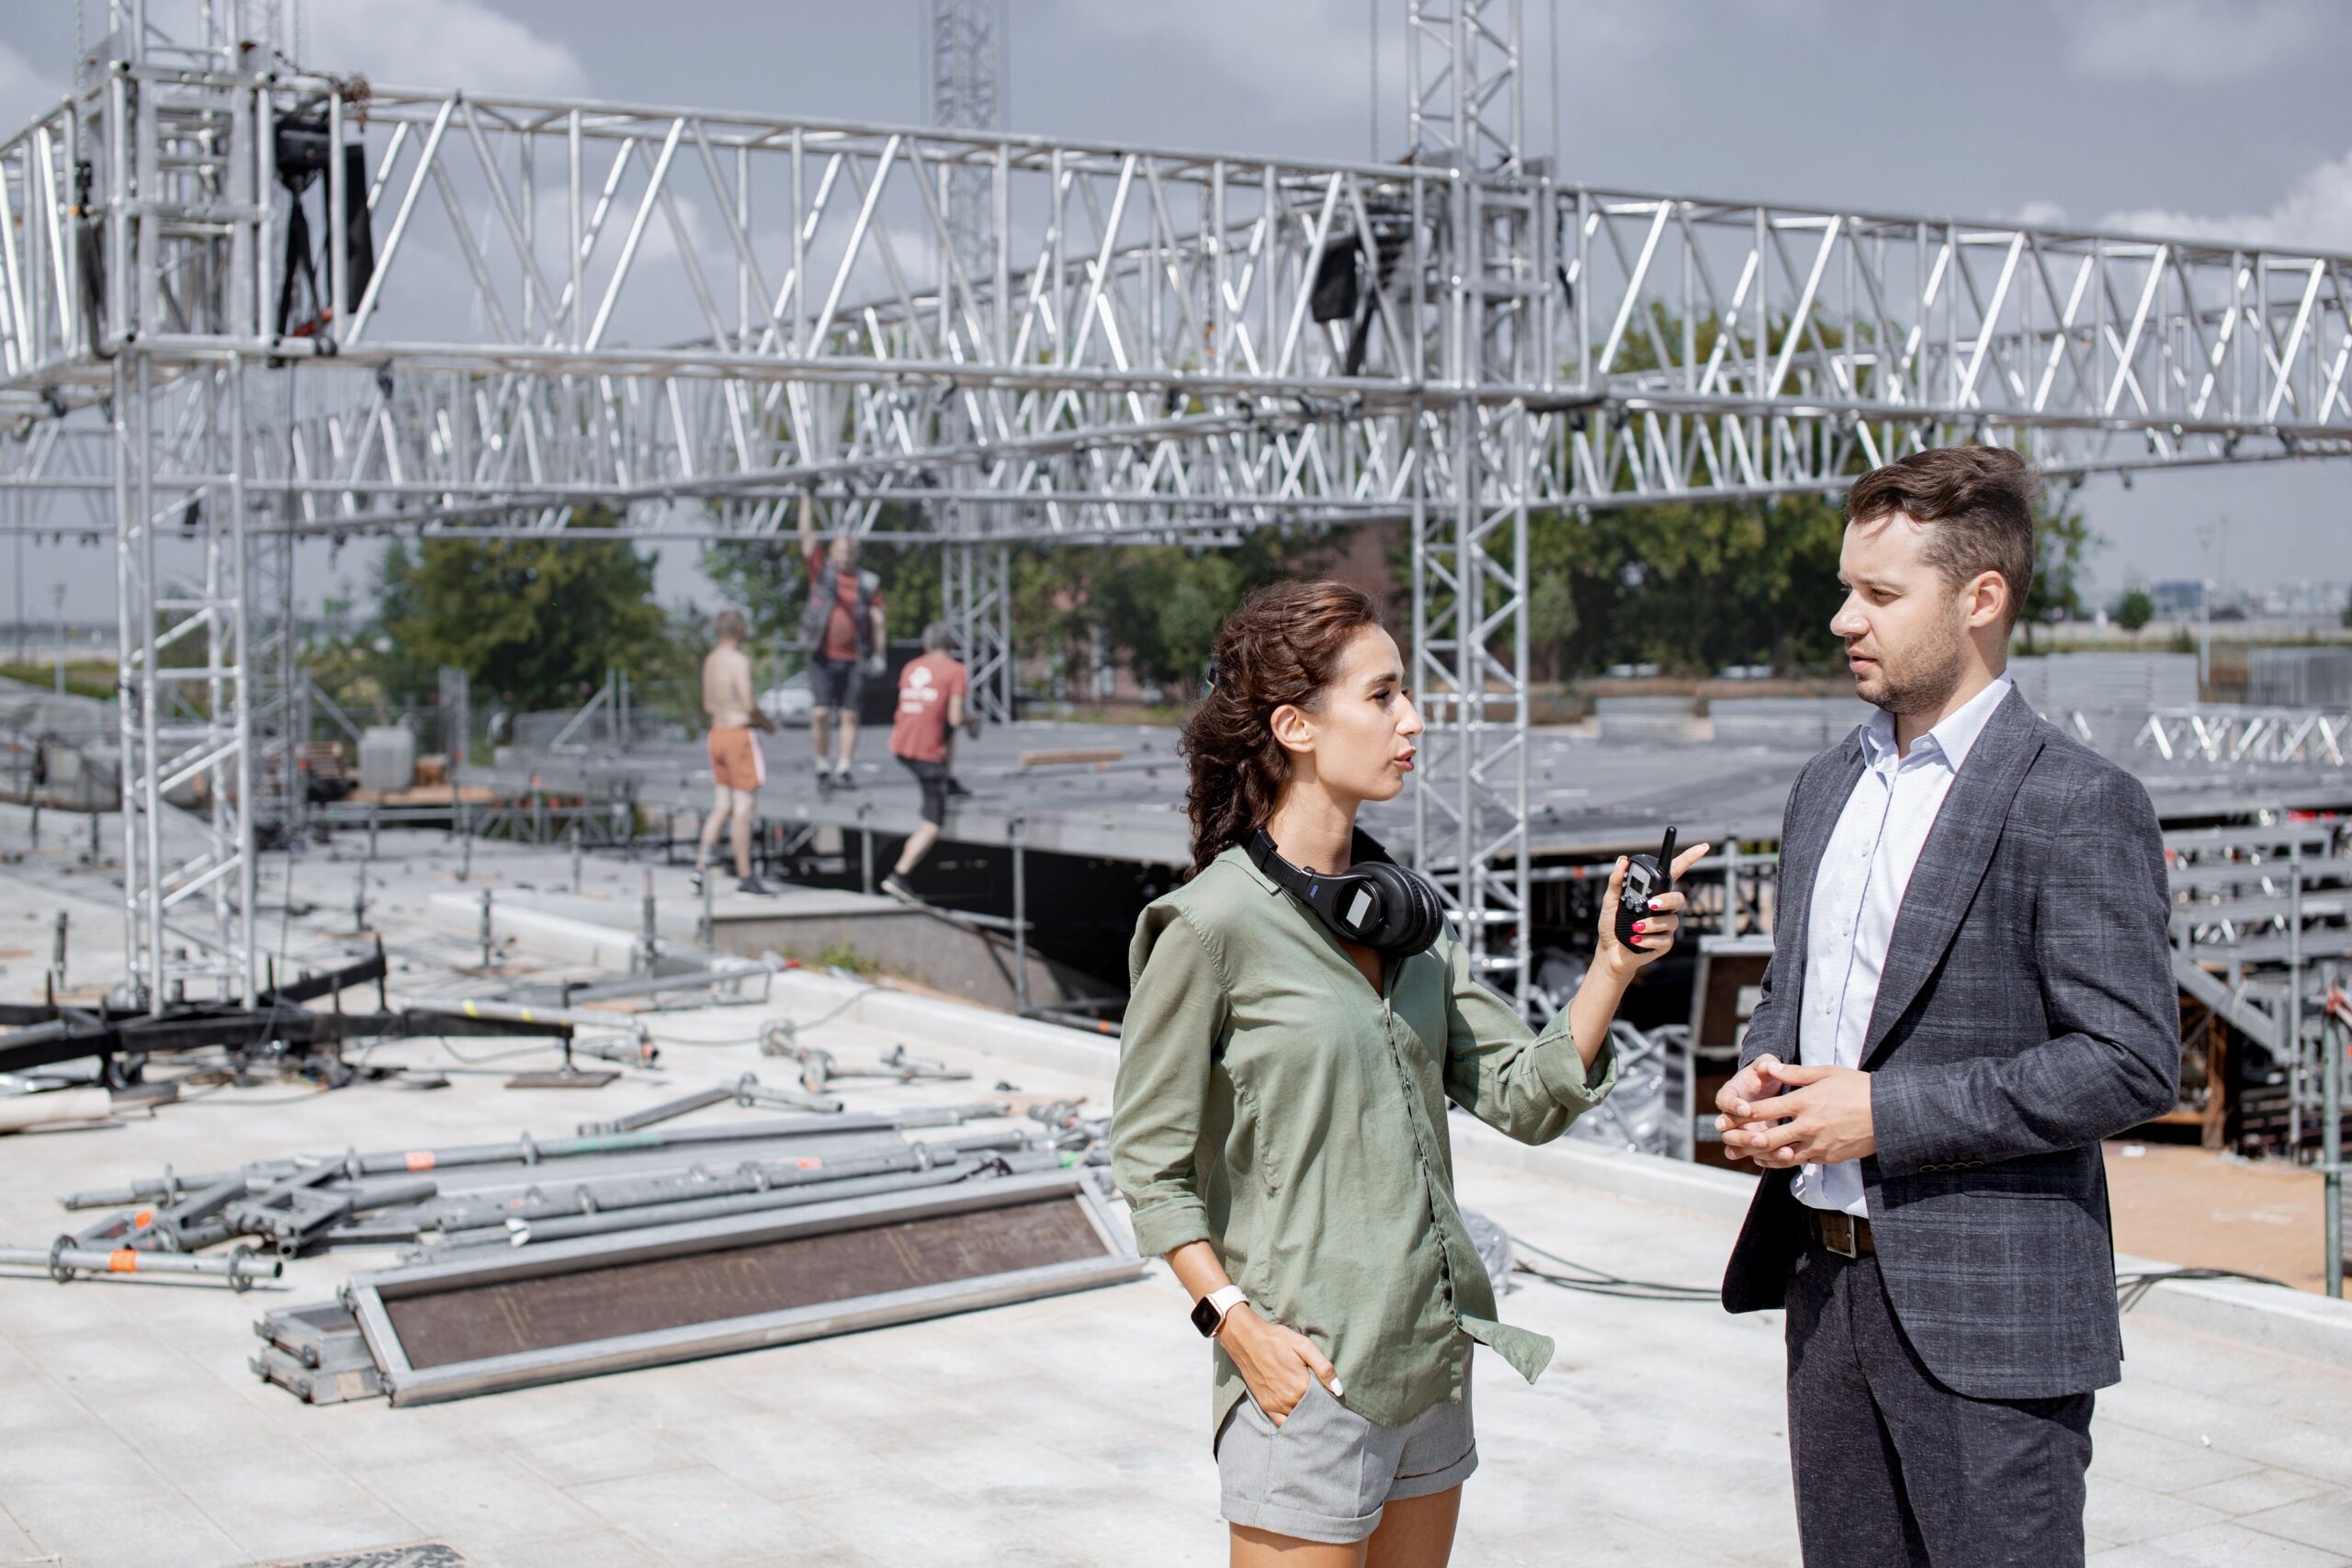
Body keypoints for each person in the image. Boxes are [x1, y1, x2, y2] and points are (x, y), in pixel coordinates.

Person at [1110, 580, 1707, 1565]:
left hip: (1430, 1366)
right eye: (1382, 696)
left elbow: (1522, 1095)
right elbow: (1150, 1166)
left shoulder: (1407, 927)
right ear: (1296, 726)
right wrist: (1237, 1327)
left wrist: (1612, 967)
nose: (1412, 720)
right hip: (1303, 1378)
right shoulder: (1209, 929)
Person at [1713, 446, 2178, 1568]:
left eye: (1878, 595)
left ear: (1979, 600)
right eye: (1845, 588)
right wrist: (1761, 1071)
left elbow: (2127, 1059)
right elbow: (1798, 993)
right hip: (1824, 1295)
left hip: (1996, 1325)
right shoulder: (1824, 786)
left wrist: (1884, 1116)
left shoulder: (2077, 802)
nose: (1842, 619)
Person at [797, 493, 886, 792]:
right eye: (840, 551)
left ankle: (844, 766)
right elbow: (806, 537)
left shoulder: (868, 582)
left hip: (854, 658)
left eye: (849, 552)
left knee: (850, 715)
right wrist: (806, 499)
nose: (845, 556)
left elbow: (878, 618)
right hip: (822, 654)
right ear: (833, 553)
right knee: (821, 712)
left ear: (855, 554)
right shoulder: (822, 574)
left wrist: (880, 653)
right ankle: (822, 764)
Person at [878, 620, 970, 903]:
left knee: (948, 730)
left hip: (900, 744)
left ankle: (949, 779)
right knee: (932, 823)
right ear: (951, 647)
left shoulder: (911, 667)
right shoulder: (956, 671)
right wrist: (972, 719)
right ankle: (900, 875)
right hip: (926, 755)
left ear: (926, 645)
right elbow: (955, 718)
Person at [694, 609, 778, 897]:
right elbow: (748, 703)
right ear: (740, 630)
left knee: (722, 806)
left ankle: (699, 868)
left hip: (716, 733)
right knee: (744, 810)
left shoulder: (711, 660)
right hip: (738, 734)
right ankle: (746, 876)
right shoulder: (738, 661)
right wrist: (768, 725)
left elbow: (707, 704)